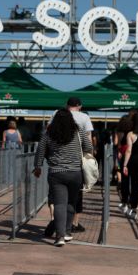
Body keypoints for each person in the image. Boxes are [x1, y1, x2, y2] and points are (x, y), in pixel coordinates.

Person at [33, 109, 93, 247]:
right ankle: (66, 232)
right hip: (75, 173)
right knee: (71, 203)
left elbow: (40, 150)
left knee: (59, 204)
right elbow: (89, 146)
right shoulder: (78, 132)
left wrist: (38, 167)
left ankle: (59, 236)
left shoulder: (49, 133)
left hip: (56, 173)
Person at [66, 97, 94, 233]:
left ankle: (57, 220)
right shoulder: (84, 117)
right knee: (77, 192)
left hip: (58, 159)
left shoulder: (57, 114)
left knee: (57, 193)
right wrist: (90, 155)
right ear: (79, 106)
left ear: (67, 106)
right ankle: (74, 223)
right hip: (78, 159)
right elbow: (88, 138)